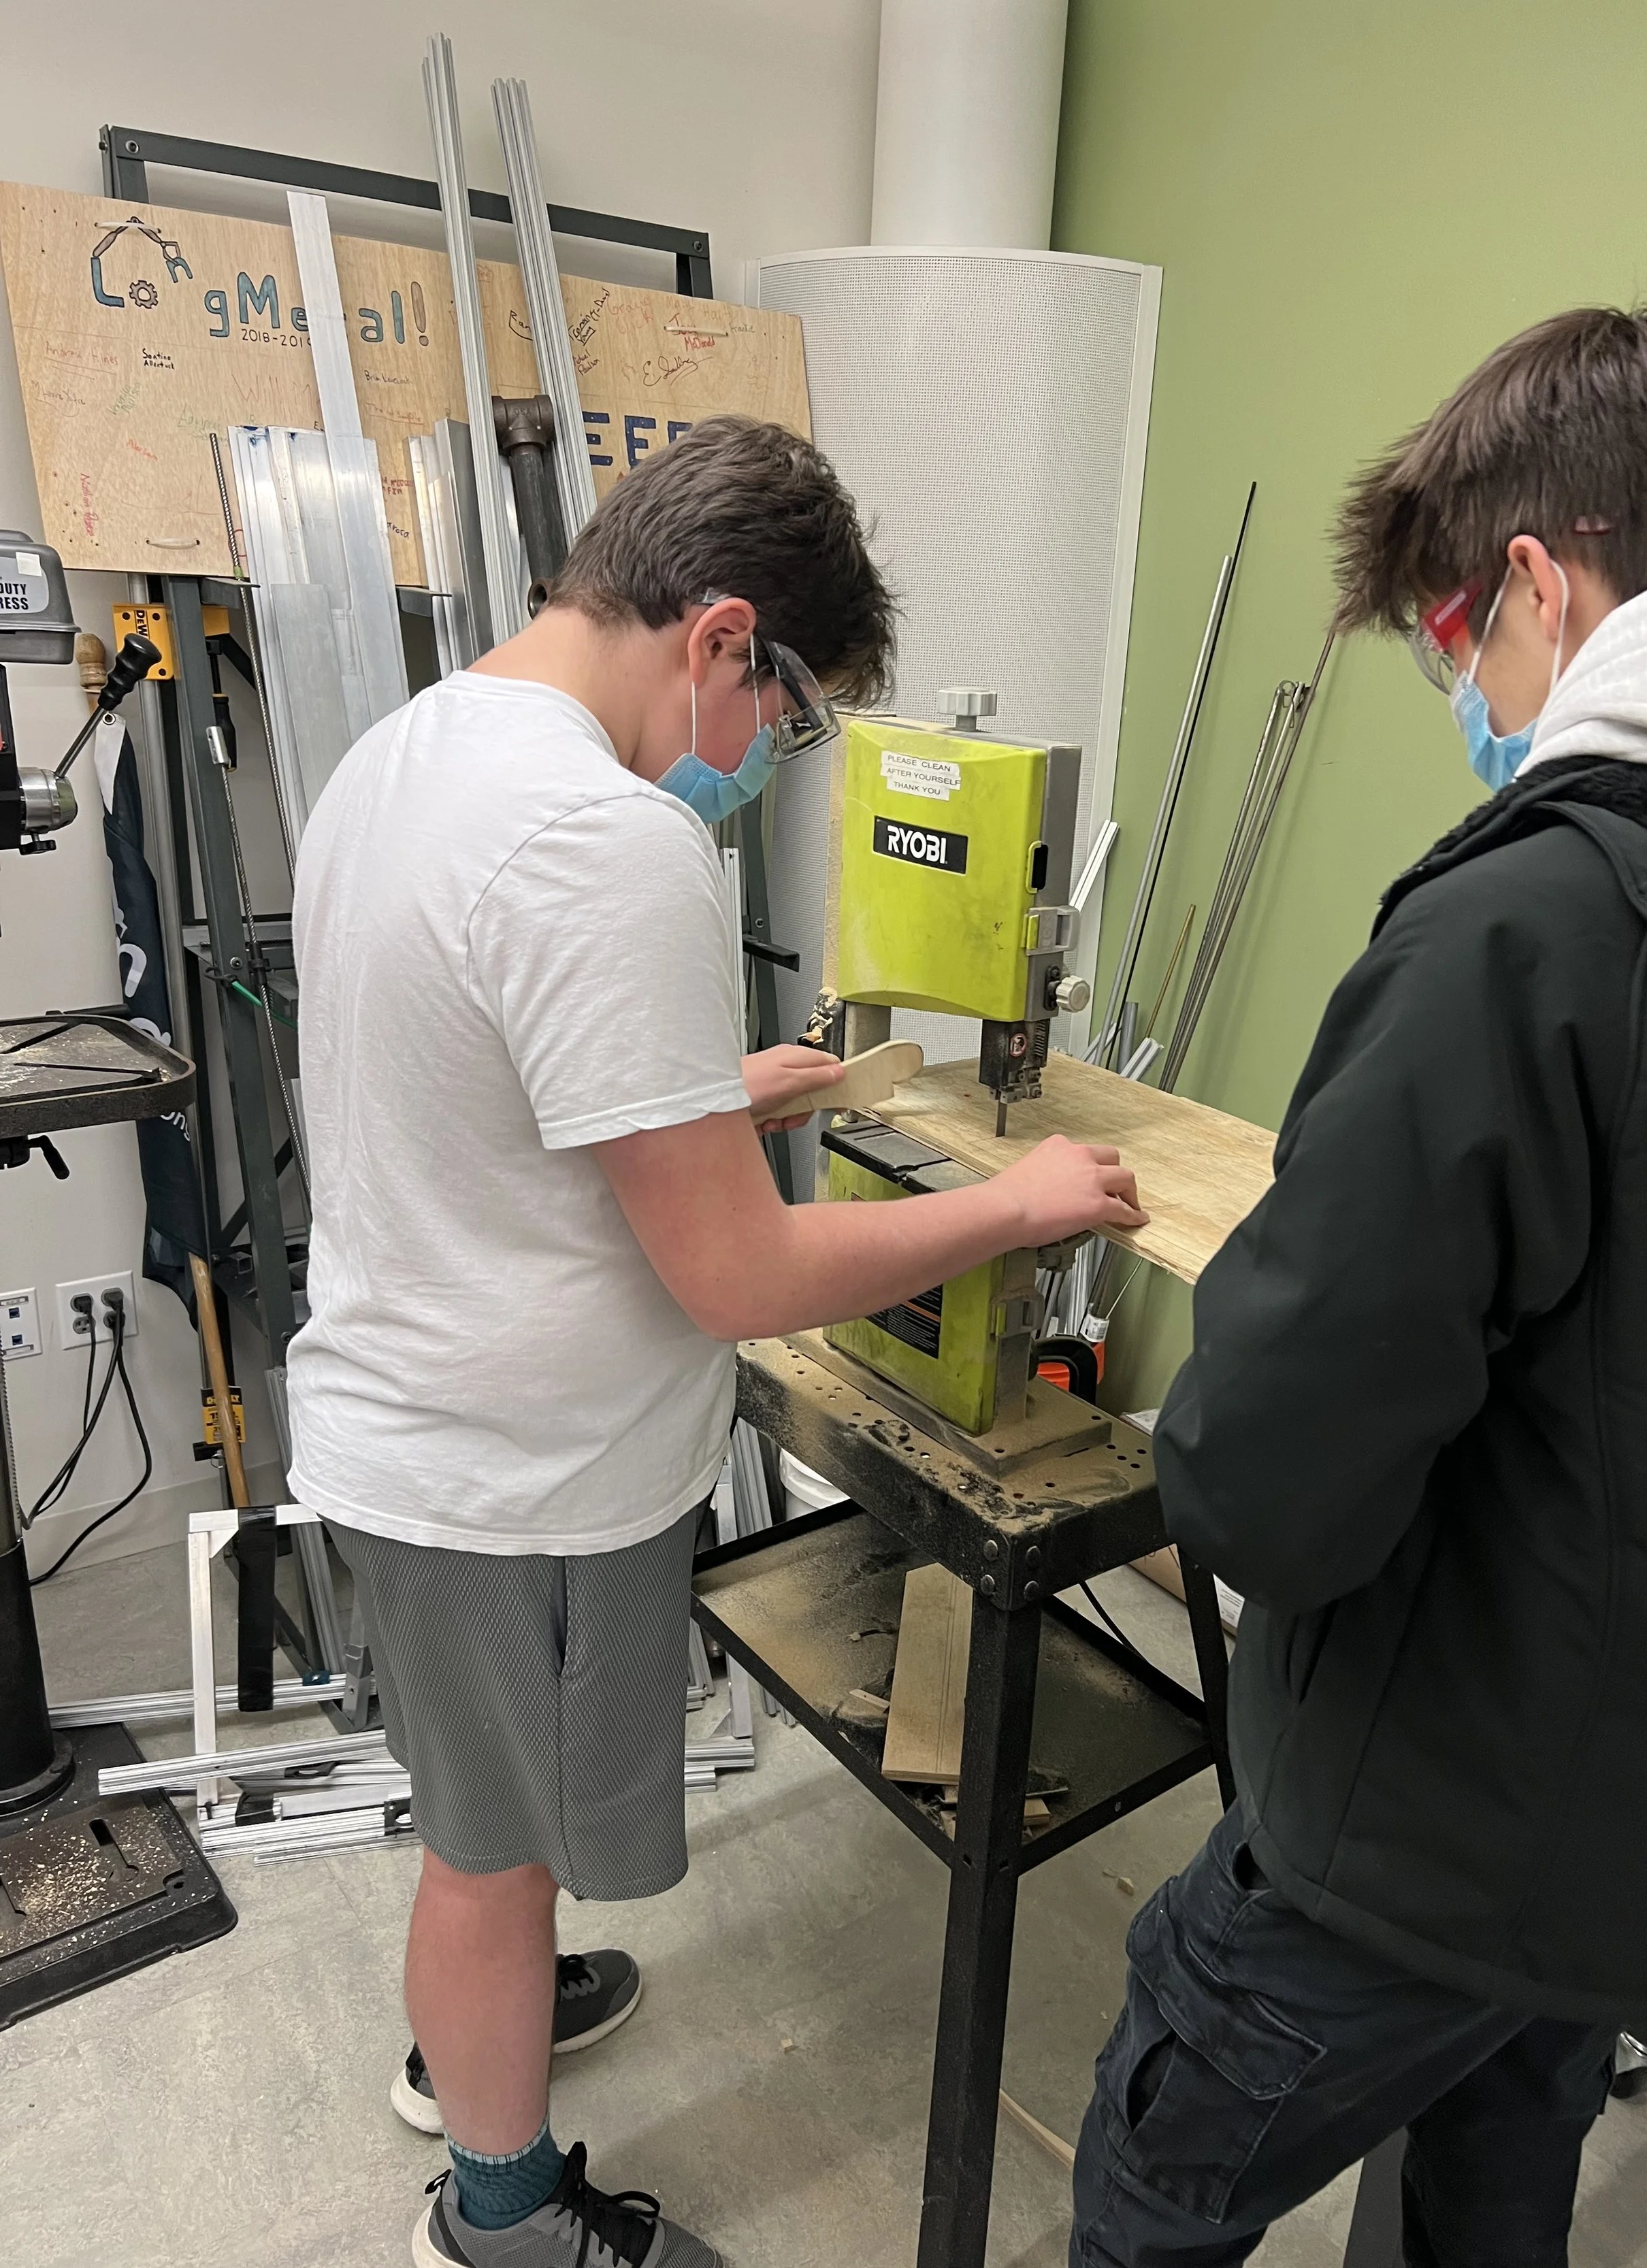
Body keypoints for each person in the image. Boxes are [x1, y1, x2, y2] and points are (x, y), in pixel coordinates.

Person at [284, 414, 1145, 2268]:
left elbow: (473, 1070)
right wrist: (1021, 1200)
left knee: (481, 1818)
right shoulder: (603, 836)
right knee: (488, 1845)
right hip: (496, 1467)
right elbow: (743, 1282)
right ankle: (498, 2207)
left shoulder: (410, 747)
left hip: (421, 1410)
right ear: (722, 638)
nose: (768, 760)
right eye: (792, 714)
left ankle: (480, 2029)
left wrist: (691, 1089)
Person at [1071, 306, 1647, 2266]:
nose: (1467, 693)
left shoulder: (1518, 923)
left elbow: (1260, 1471)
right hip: (1628, 1822)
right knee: (1490, 2173)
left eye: (1456, 646)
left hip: (1416, 1822)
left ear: (1539, 579)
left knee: (1158, 2158)